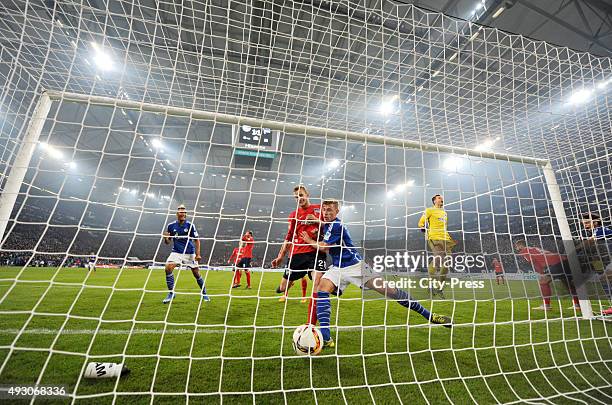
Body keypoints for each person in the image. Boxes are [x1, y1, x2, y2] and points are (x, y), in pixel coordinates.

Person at [302, 199, 452, 349]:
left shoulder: (337, 225)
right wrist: (317, 221)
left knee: (391, 291)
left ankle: (430, 316)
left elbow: (323, 247)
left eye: (329, 210)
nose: (326, 213)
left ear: (337, 212)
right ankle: (326, 337)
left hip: (356, 266)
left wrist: (308, 239)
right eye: (324, 210)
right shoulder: (328, 224)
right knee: (321, 289)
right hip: (337, 267)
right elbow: (325, 227)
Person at [272, 186, 326, 324]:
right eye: (296, 197)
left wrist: (316, 220)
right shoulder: (293, 215)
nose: (299, 198)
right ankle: (296, 277)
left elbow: (331, 226)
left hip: (315, 252)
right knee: (283, 288)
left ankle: (311, 324)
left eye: (301, 195)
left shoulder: (319, 209)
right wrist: (280, 256)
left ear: (307, 194)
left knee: (318, 285)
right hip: (297, 254)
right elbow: (288, 237)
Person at [162, 205, 209, 303]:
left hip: (189, 252)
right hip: (177, 252)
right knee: (168, 267)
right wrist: (165, 238)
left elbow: (197, 240)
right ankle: (171, 293)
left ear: (185, 214)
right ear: (177, 214)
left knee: (196, 273)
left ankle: (204, 293)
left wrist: (198, 254)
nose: (182, 213)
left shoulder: (190, 225)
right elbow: (168, 242)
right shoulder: (171, 226)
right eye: (180, 211)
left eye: (184, 212)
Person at [515, 240, 579, 311]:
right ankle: (577, 304)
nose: (516, 248)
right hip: (564, 261)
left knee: (543, 281)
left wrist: (542, 274)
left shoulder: (524, 251)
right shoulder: (533, 248)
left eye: (517, 246)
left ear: (520, 245)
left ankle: (546, 305)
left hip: (556, 264)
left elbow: (535, 262)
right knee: (567, 283)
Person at [418, 194, 456, 298]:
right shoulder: (429, 210)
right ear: (434, 201)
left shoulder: (444, 213)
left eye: (442, 198)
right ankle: (431, 285)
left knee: (447, 262)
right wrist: (424, 229)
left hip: (445, 238)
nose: (441, 199)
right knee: (438, 258)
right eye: (439, 198)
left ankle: (439, 288)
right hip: (434, 236)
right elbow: (421, 223)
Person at [580, 213, 612, 315]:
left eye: (587, 223)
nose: (585, 225)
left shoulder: (600, 230)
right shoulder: (599, 231)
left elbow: (589, 242)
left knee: (605, 278)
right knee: (606, 278)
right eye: (583, 223)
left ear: (596, 222)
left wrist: (573, 249)